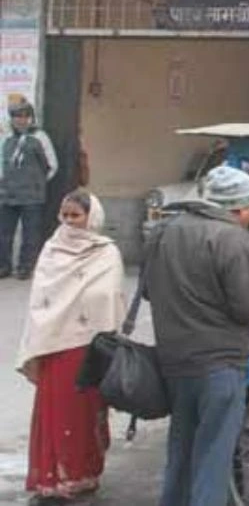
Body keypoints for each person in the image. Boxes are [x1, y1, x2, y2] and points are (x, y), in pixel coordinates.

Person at [142, 166, 249, 506]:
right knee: (213, 459)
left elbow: (147, 291)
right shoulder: (231, 237)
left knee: (181, 455)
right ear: (239, 208)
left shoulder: (164, 230)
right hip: (220, 363)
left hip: (174, 361)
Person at [16, 191, 124, 504]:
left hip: (89, 348)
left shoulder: (106, 253)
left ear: (92, 218)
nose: (69, 221)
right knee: (55, 413)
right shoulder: (52, 249)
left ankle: (83, 476)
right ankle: (52, 480)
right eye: (65, 215)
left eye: (76, 215)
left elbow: (109, 299)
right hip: (55, 345)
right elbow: (41, 300)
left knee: (84, 411)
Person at [0, 96, 58, 280]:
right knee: (4, 233)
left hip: (32, 195)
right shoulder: (6, 138)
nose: (20, 120)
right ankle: (3, 266)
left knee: (30, 233)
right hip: (8, 194)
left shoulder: (39, 137)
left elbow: (52, 165)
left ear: (30, 118)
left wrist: (37, 182)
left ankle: (25, 267)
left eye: (24, 116)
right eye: (16, 116)